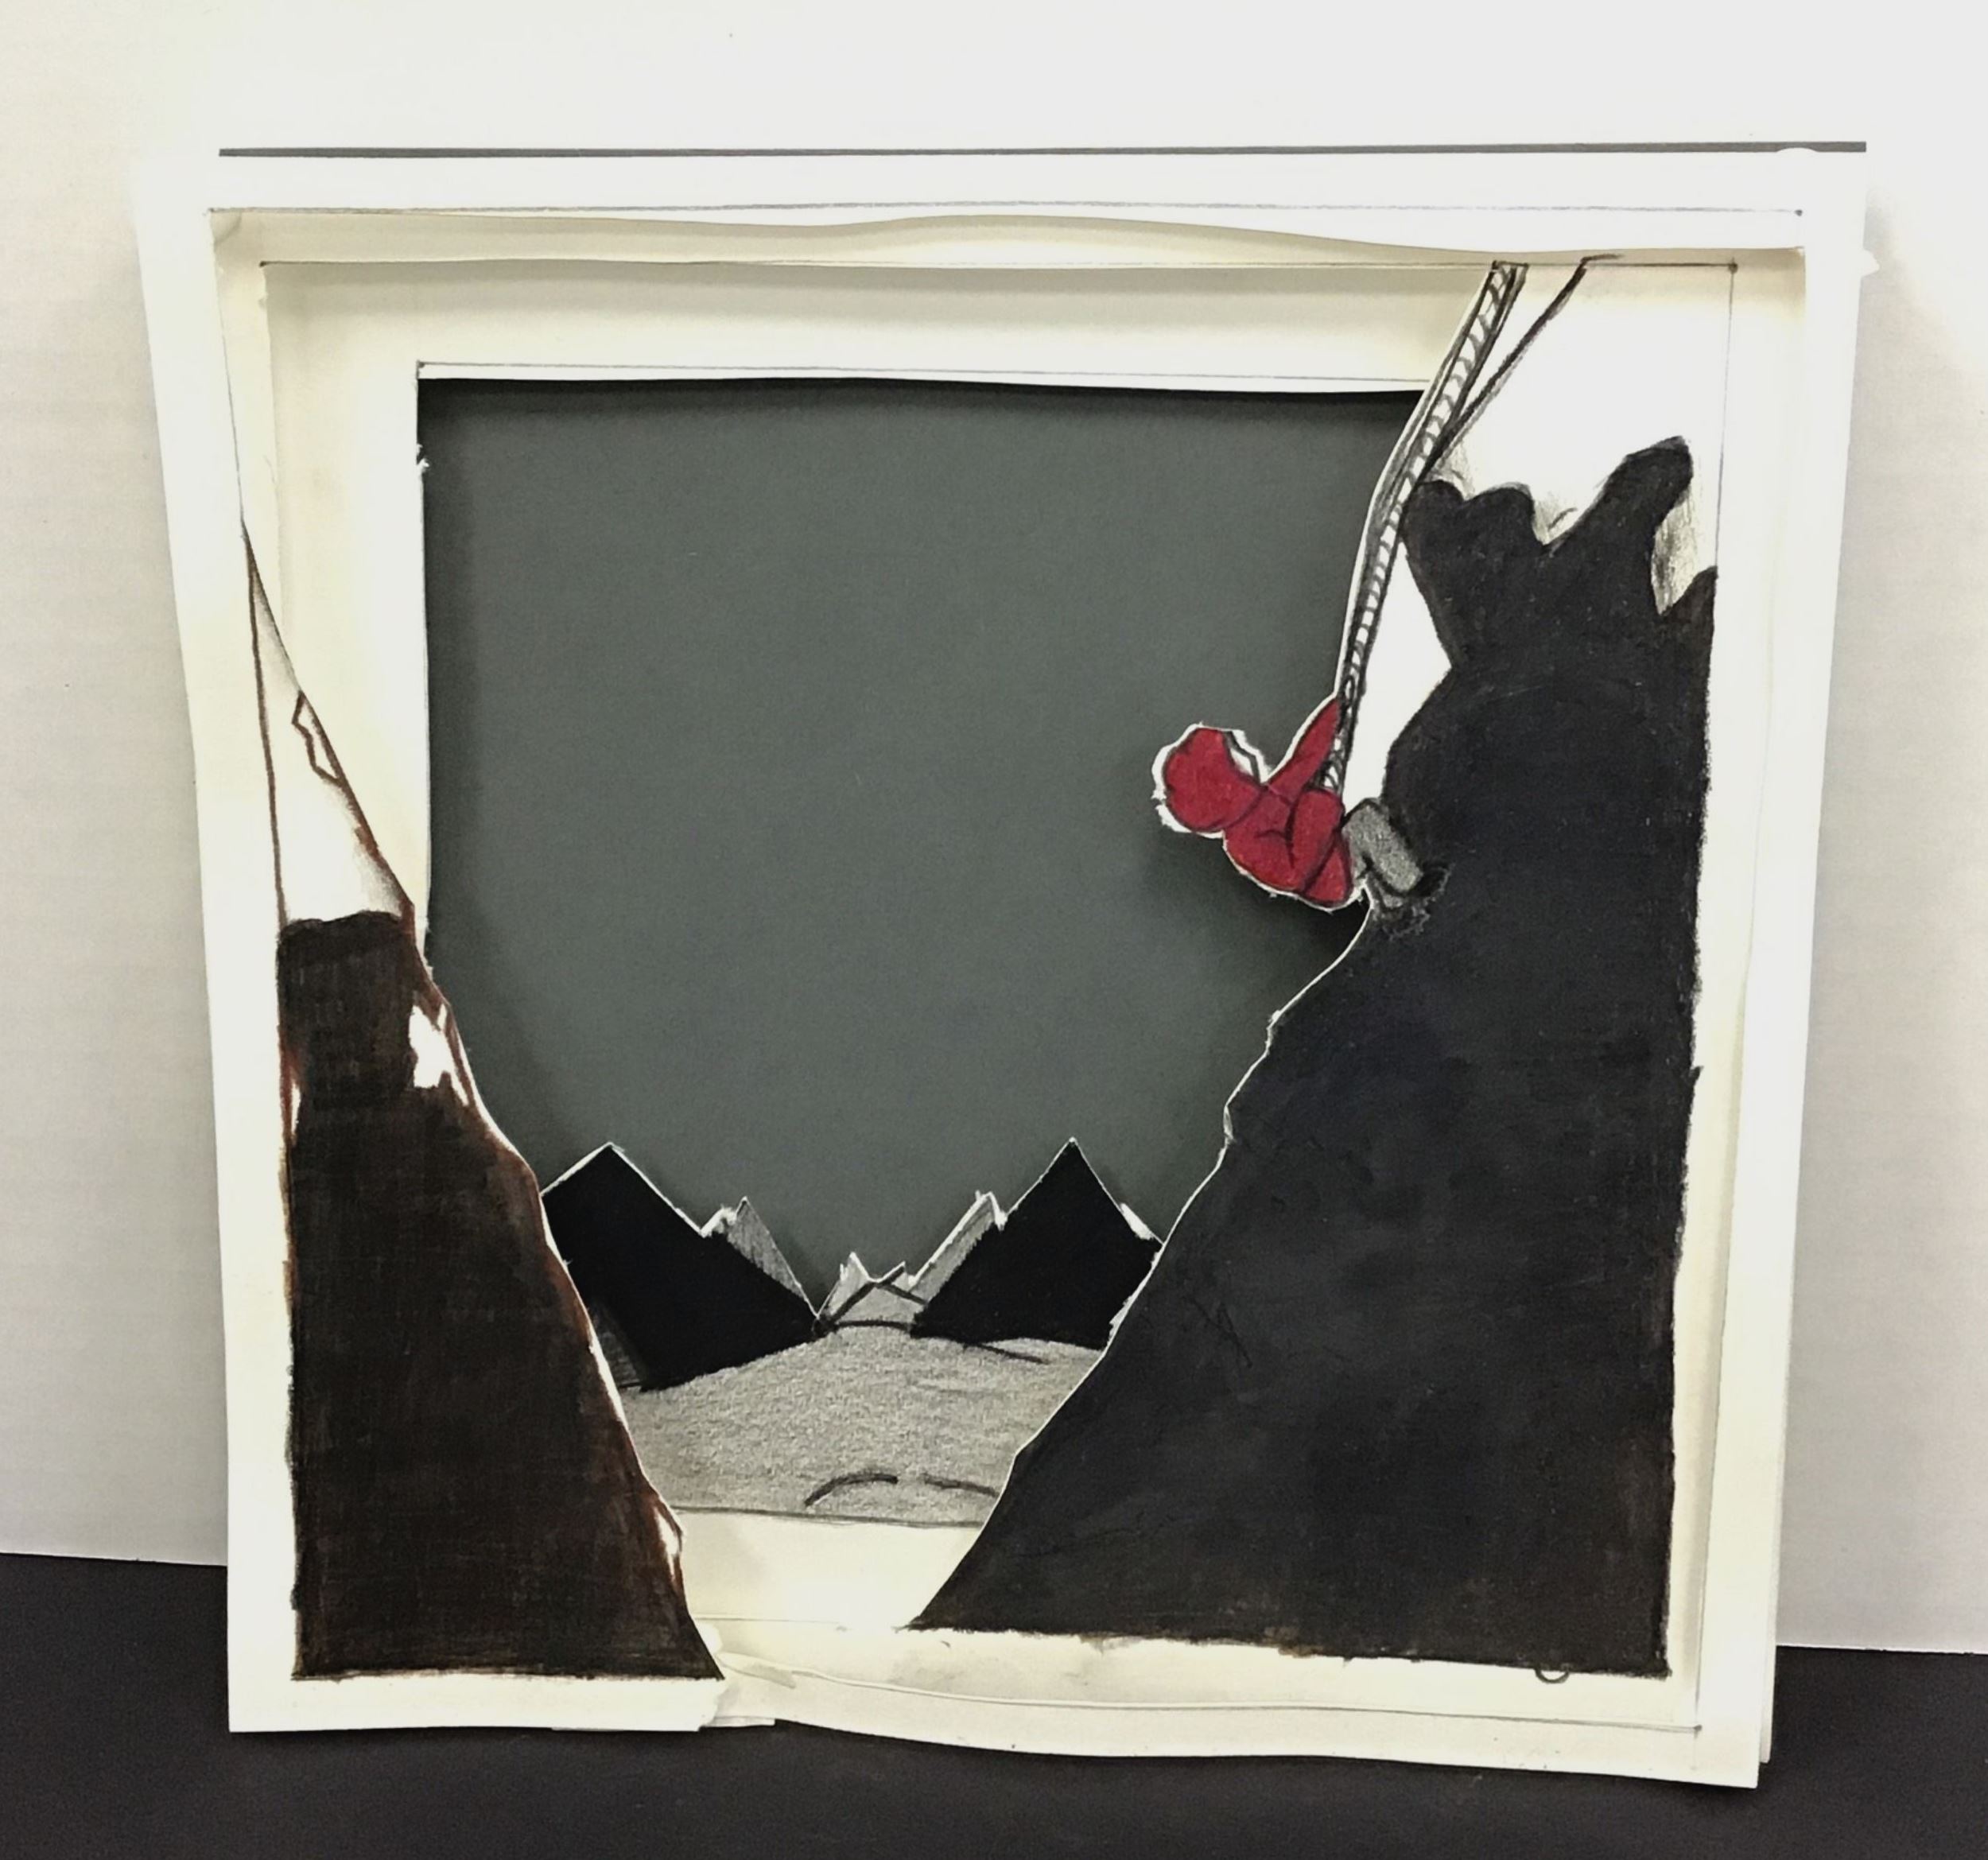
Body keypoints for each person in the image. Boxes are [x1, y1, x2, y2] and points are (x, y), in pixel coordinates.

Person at [1154, 700, 1355, 908]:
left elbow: (1304, 760)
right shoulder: (1242, 844)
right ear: (1225, 779)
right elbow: (1293, 875)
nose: (1248, 751)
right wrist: (1317, 801)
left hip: (1337, 849)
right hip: (1336, 876)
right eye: (1235, 750)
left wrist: (1337, 708)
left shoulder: (1265, 799)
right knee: (1369, 818)